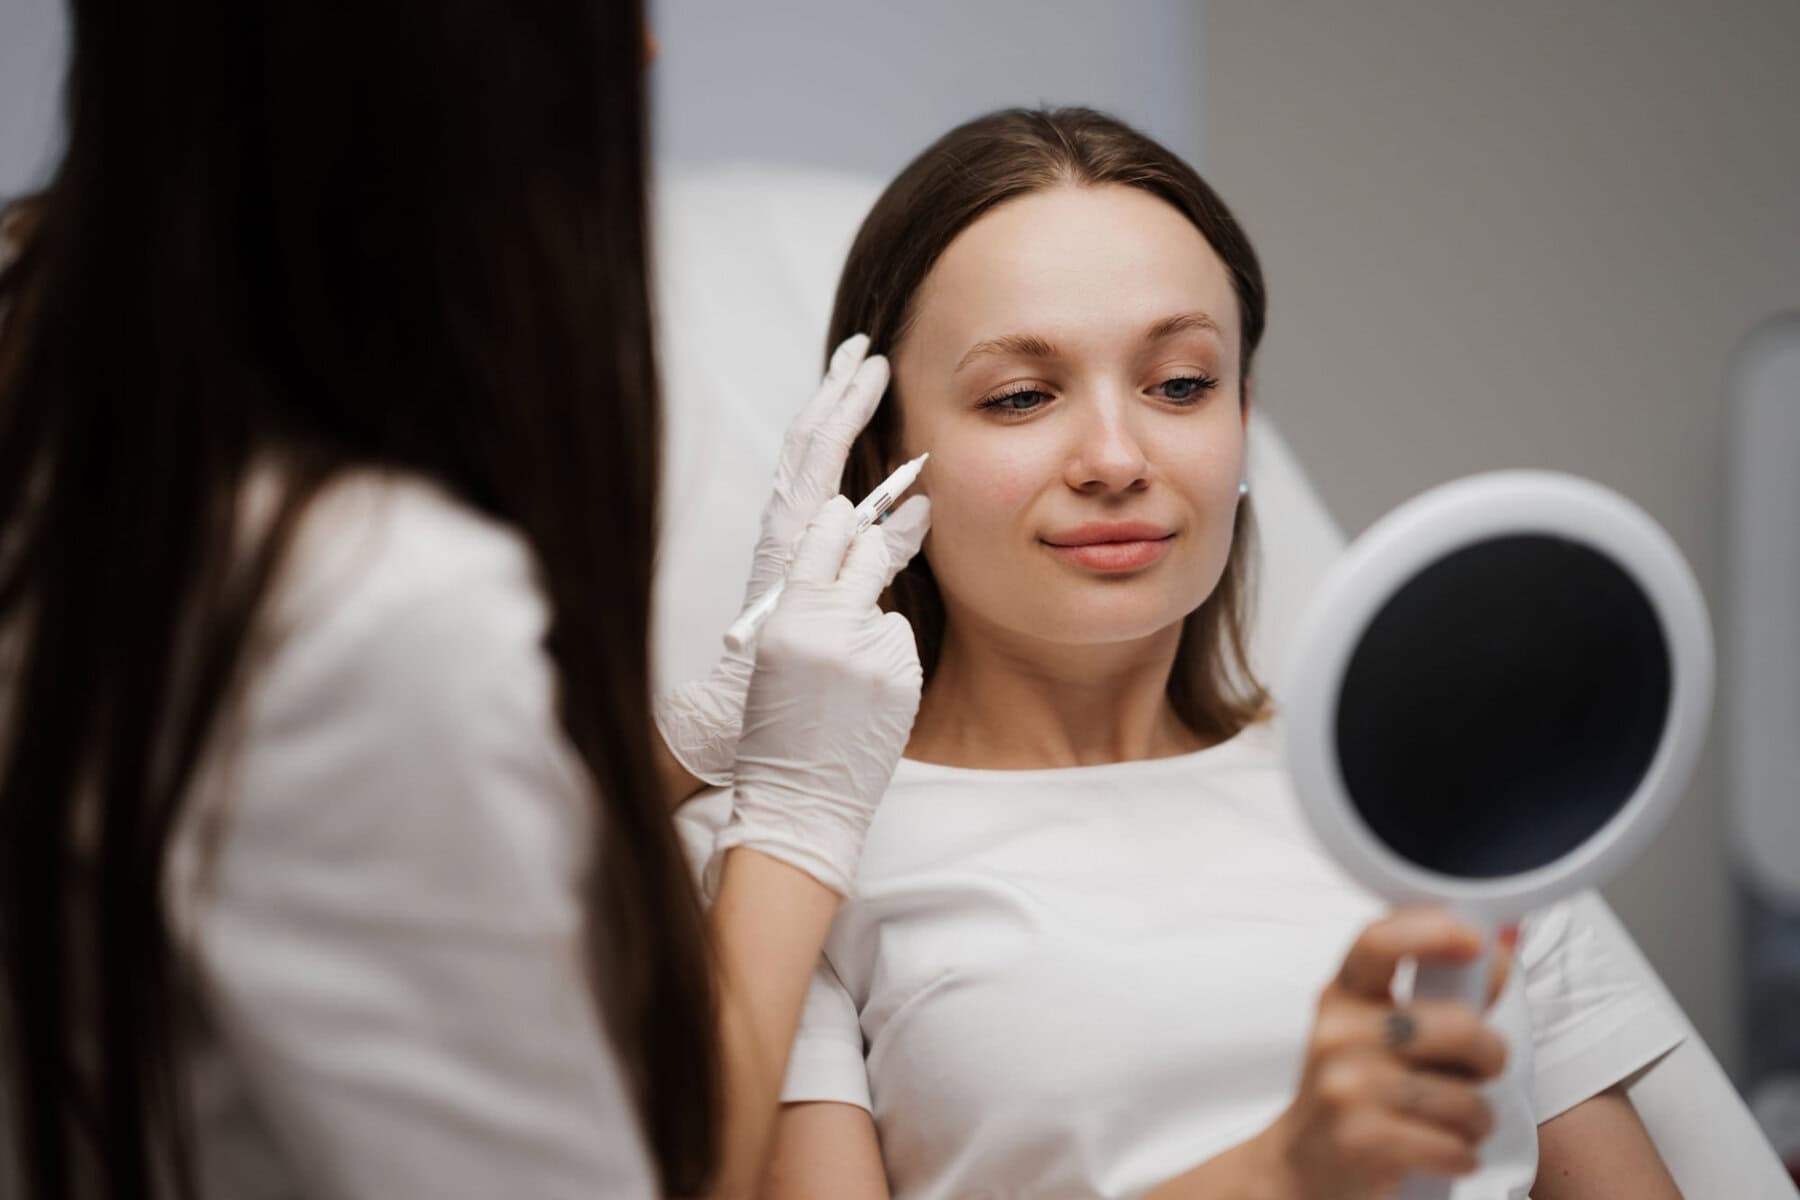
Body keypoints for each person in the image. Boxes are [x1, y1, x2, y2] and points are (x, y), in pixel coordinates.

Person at [0, 3, 925, 1197]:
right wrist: (795, 826)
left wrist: (677, 748)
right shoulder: (368, 607)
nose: (644, 50)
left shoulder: (49, 363)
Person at [678, 108, 1688, 1199]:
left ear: (1244, 418)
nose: (1117, 457)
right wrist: (1286, 1172)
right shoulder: (786, 866)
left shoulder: (1446, 806)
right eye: (1020, 395)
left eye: (1180, 385)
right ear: (884, 454)